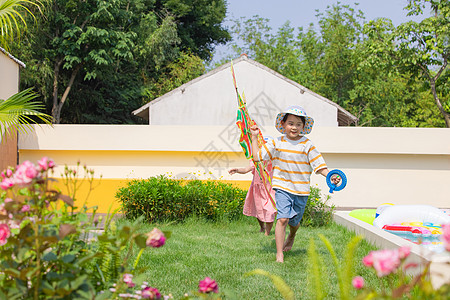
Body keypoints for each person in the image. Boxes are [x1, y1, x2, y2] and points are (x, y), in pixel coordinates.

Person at [250, 105, 340, 262]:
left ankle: (292, 235)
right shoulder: (276, 143)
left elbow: (318, 165)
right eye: (291, 123)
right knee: (283, 219)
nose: (294, 127)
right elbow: (257, 157)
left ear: (303, 127)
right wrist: (254, 137)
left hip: (301, 190)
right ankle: (279, 254)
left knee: (294, 222)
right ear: (283, 124)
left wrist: (331, 176)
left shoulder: (307, 144)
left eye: (299, 124)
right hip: (282, 187)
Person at [229, 143, 277, 236]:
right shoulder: (256, 161)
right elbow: (246, 169)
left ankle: (267, 232)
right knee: (258, 209)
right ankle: (262, 227)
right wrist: (237, 170)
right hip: (257, 189)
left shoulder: (274, 161)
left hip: (270, 190)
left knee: (270, 210)